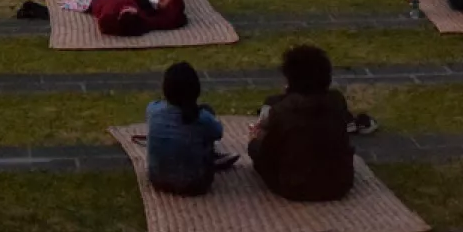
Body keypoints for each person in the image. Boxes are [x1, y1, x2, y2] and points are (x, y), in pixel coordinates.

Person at [248, 44, 355, 202]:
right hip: (339, 184)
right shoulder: (337, 101)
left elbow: (267, 154)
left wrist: (255, 140)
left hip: (295, 188)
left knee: (254, 147)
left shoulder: (280, 112)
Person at [145, 62, 230, 196]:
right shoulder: (202, 118)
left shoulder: (153, 110)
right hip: (195, 184)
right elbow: (218, 132)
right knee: (206, 123)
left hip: (157, 179)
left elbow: (155, 106)